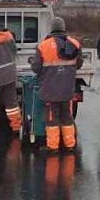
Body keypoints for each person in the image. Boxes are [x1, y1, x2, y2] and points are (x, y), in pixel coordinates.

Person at [31, 17, 84, 152]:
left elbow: (36, 67)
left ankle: (53, 146)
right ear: (63, 27)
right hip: (68, 88)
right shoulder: (75, 43)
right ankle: (70, 145)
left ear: (52, 28)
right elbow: (79, 64)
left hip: (50, 88)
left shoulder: (43, 45)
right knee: (67, 116)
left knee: (52, 118)